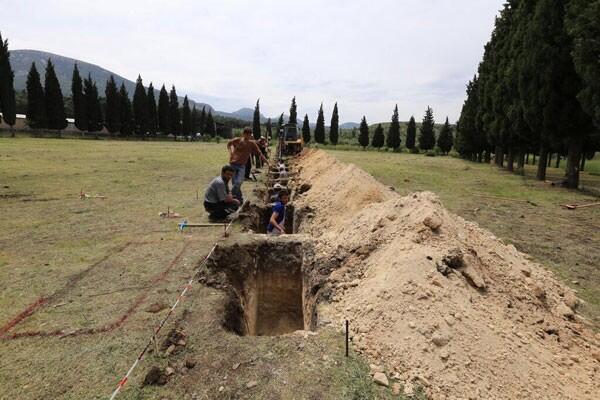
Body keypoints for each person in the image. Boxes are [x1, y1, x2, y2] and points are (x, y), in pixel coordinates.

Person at [227, 127, 269, 201]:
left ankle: (229, 195)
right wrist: (230, 153)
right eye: (247, 134)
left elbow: (260, 153)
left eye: (249, 135)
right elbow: (229, 144)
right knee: (235, 184)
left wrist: (267, 162)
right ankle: (239, 199)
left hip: (242, 166)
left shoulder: (252, 143)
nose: (248, 136)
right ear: (243, 134)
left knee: (238, 182)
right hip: (233, 164)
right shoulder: (237, 140)